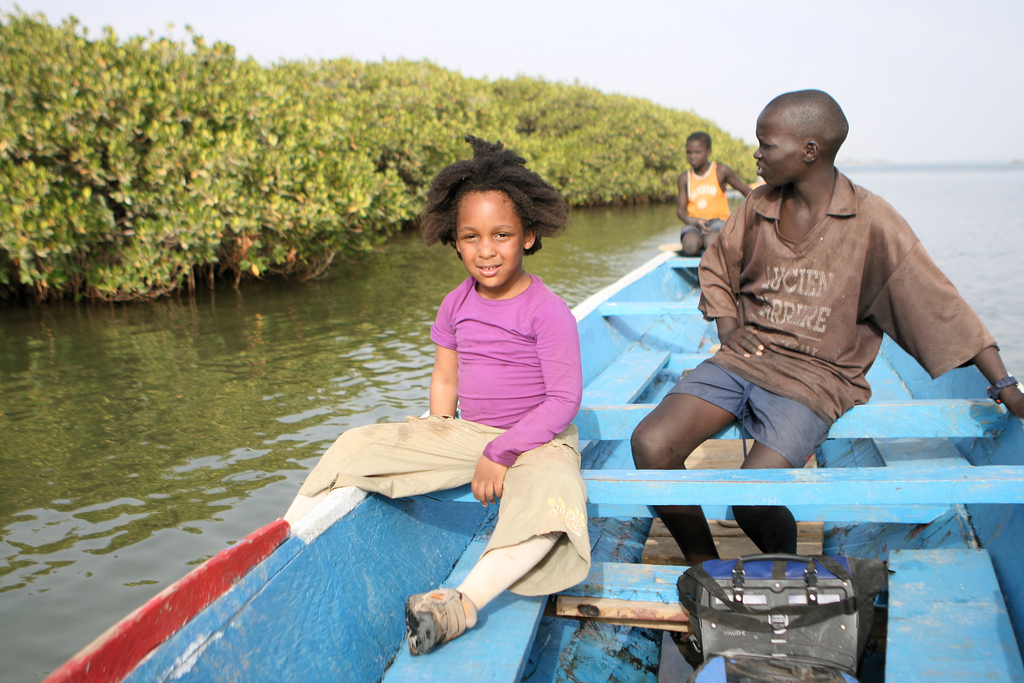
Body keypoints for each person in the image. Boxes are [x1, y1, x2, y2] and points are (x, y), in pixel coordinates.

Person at [632, 90, 1024, 565]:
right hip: (745, 357)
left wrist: (1003, 381)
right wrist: (729, 326)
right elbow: (716, 264)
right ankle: (703, 563)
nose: (756, 154)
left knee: (750, 503)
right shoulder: (757, 205)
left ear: (809, 151)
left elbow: (938, 303)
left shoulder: (870, 219)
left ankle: (788, 571)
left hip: (817, 375)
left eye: (766, 144)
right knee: (650, 444)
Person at [284, 135, 589, 656]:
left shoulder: (547, 310)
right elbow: (445, 379)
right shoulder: (455, 304)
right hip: (471, 435)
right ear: (454, 240)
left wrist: (502, 451)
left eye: (502, 235)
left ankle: (460, 604)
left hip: (539, 438)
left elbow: (563, 399)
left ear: (529, 237)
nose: (486, 250)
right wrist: (438, 428)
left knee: (556, 499)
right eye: (471, 236)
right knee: (357, 445)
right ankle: (282, 542)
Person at [677, 131, 753, 256]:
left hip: (718, 223)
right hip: (695, 224)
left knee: (712, 243)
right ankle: (698, 248)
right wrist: (693, 221)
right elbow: (680, 211)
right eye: (689, 152)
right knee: (690, 246)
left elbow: (746, 192)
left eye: (697, 152)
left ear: (708, 152)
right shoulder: (684, 178)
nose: (692, 156)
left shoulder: (720, 171)